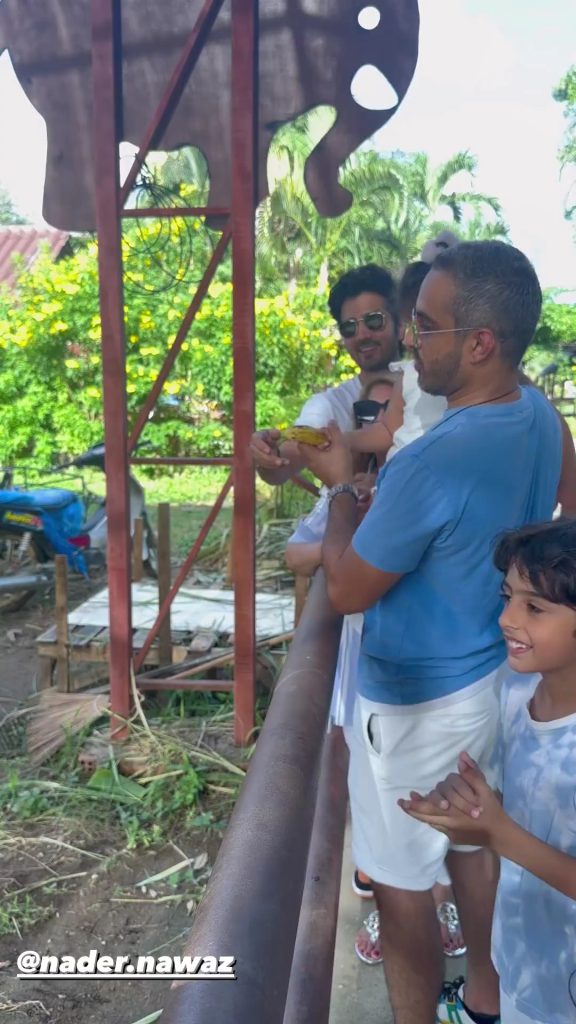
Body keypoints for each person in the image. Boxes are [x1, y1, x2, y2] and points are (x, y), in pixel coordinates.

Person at [296, 240, 576, 1024]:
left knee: (399, 881)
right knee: (472, 838)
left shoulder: (434, 460)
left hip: (416, 698)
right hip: (497, 674)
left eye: (425, 326)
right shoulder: (540, 414)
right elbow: (571, 512)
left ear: (479, 343)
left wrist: (345, 492)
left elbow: (347, 588)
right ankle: (482, 995)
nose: (410, 341)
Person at [400, 517, 576, 1024]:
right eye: (508, 597)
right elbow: (526, 800)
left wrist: (495, 833)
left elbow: (508, 835)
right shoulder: (518, 689)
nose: (506, 618)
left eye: (534, 607)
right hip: (521, 960)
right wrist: (474, 805)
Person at [249, 263, 401, 484]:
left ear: (400, 323)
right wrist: (267, 455)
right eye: (349, 327)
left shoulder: (430, 390)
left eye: (374, 321)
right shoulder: (330, 404)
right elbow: (283, 464)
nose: (362, 335)